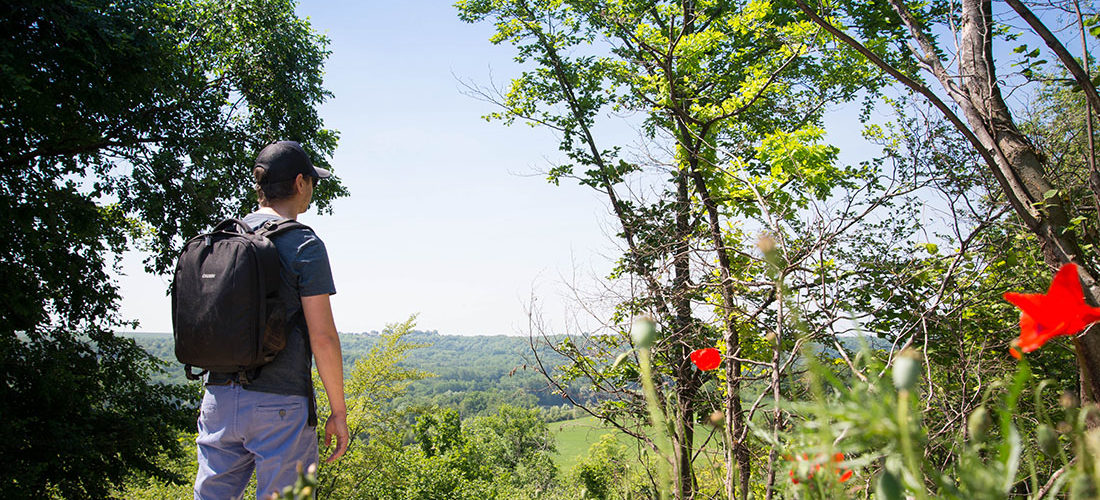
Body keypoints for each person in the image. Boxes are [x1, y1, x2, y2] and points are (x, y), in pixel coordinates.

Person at [194, 141, 350, 499]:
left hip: (218, 398)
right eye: (312, 181)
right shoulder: (302, 244)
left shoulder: (222, 238)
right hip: (281, 405)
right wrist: (337, 412)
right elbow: (322, 337)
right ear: (300, 183)